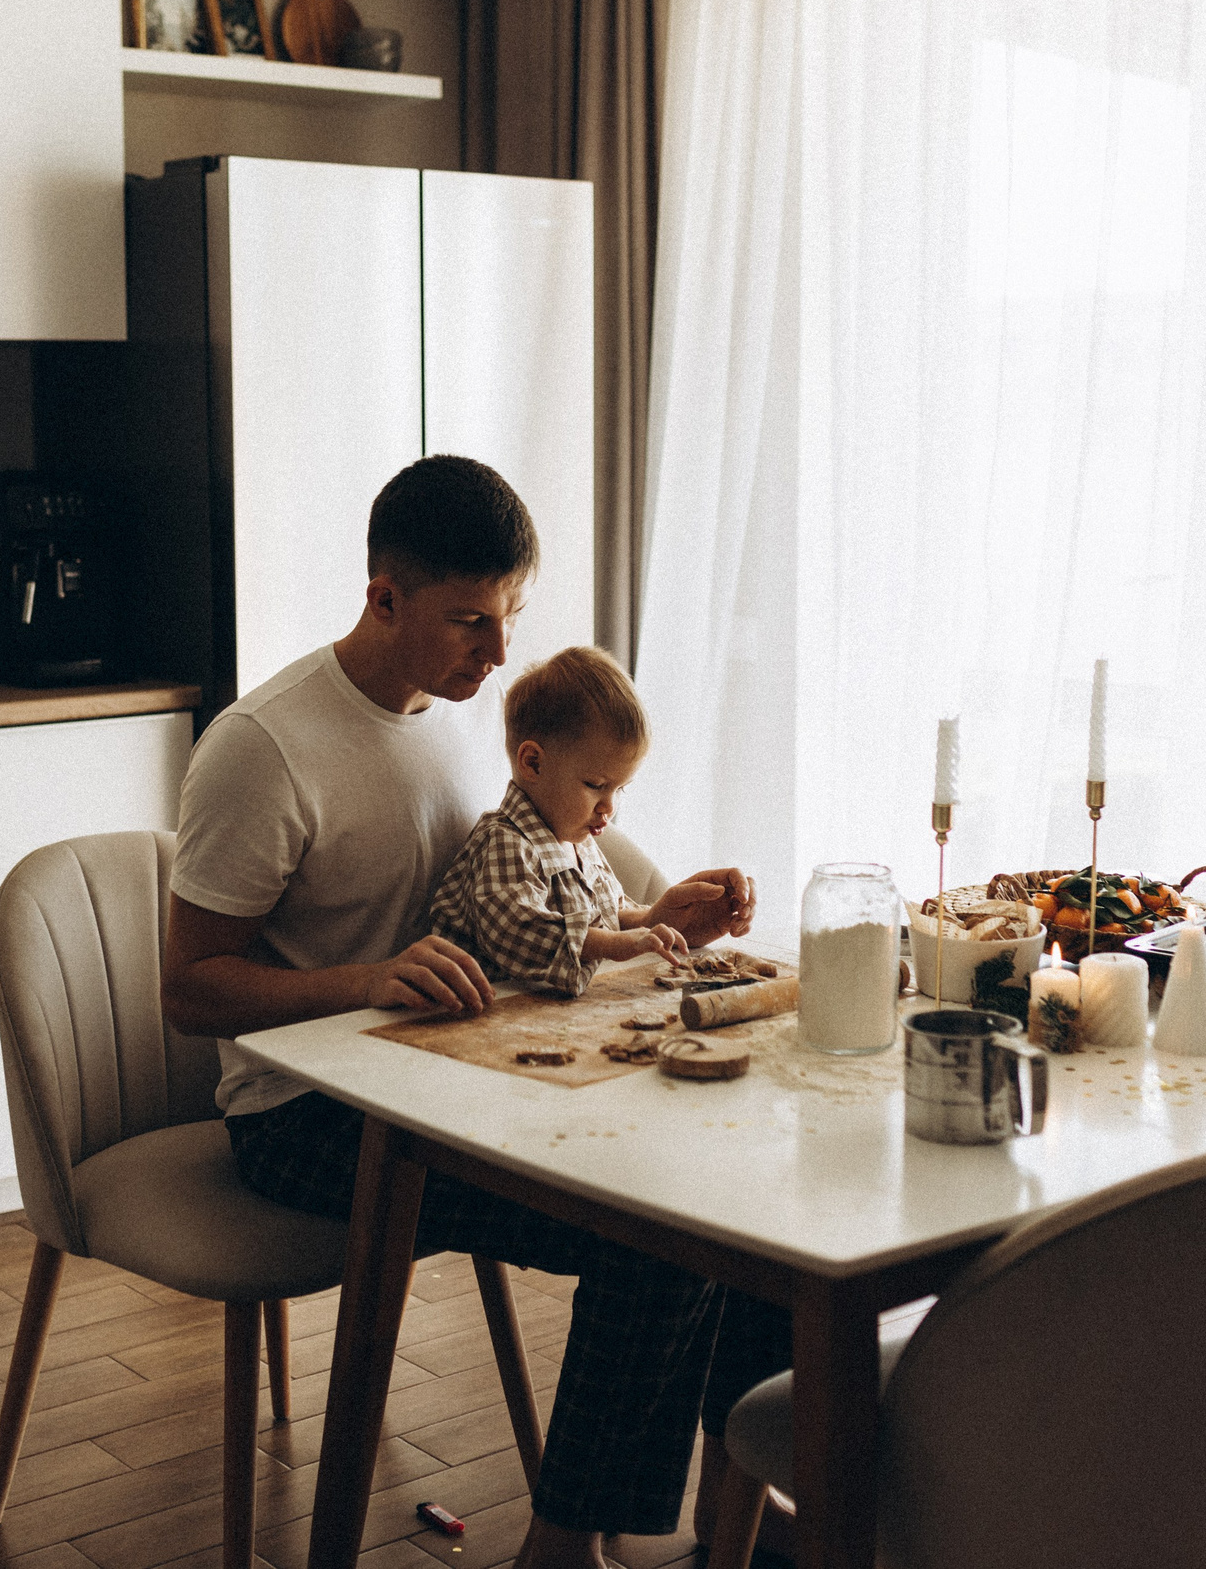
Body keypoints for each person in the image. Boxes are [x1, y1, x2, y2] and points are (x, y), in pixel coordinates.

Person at [163, 455, 778, 1569]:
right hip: (306, 1119)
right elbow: (189, 988)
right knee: (661, 1240)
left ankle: (752, 1516)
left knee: (740, 1206)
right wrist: (365, 978)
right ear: (382, 598)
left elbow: (520, 895)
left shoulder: (457, 717)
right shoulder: (262, 752)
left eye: (511, 620)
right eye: (470, 624)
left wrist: (650, 911)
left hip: (461, 1075)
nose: (499, 658)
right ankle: (560, 1548)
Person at [429, 644, 689, 993]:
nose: (608, 807)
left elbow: (608, 912)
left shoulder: (581, 842)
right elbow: (518, 932)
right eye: (596, 785)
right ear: (533, 763)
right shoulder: (505, 842)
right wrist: (613, 945)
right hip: (483, 1017)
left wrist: (654, 925)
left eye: (620, 789)